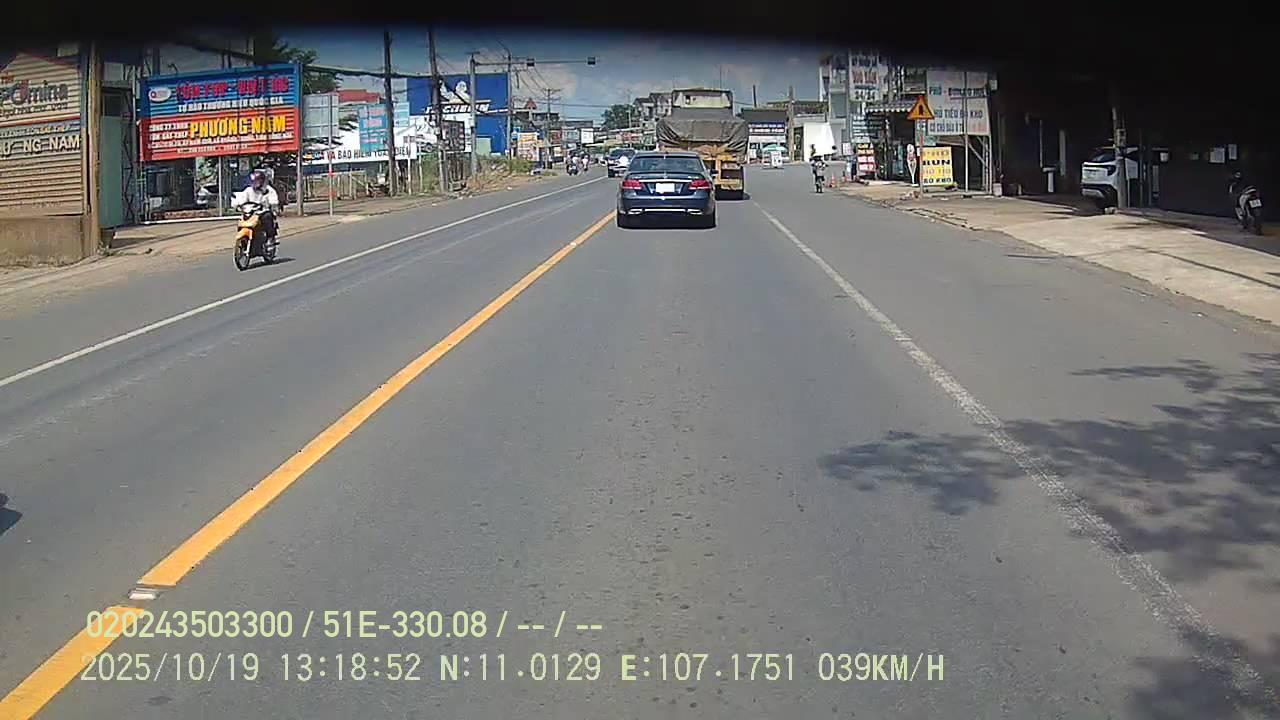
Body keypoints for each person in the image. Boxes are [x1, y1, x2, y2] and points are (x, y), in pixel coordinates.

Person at [233, 169, 280, 246]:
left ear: (262, 181)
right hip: (250, 212)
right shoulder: (248, 190)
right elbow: (241, 199)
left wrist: (272, 204)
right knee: (241, 220)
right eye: (254, 181)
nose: (255, 183)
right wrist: (237, 204)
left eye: (257, 181)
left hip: (263, 212)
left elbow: (274, 200)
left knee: (267, 217)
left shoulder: (268, 190)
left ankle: (270, 238)